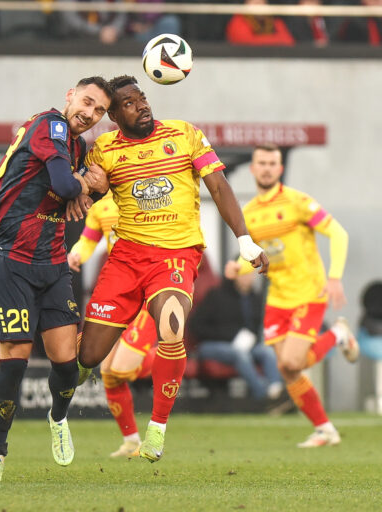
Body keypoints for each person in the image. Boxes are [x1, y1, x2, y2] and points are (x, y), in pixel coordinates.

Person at [74, 75, 269, 463]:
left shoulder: (184, 134)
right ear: (113, 115)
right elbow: (87, 202)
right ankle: (64, 407)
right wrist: (83, 187)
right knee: (91, 359)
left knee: (172, 326)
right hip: (127, 259)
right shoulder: (103, 150)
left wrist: (245, 239)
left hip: (176, 256)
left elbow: (218, 185)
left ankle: (156, 429)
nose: (142, 105)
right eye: (129, 103)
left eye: (142, 98)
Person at [0, 76, 112, 482]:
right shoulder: (50, 126)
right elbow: (65, 184)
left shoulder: (79, 145)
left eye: (99, 110)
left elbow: (75, 193)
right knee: (14, 363)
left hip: (51, 262)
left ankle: (58, 417)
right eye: (86, 102)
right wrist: (85, 185)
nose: (89, 114)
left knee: (67, 364)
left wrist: (90, 193)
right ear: (70, 96)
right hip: (11, 258)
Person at [226, 143, 359, 447]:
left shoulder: (298, 202)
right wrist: (237, 268)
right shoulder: (249, 213)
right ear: (253, 168)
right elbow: (254, 258)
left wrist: (335, 277)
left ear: (280, 168)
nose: (267, 168)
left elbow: (338, 233)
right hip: (277, 300)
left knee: (293, 361)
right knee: (288, 369)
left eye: (273, 163)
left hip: (308, 293)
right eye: (262, 162)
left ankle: (338, 333)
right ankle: (325, 429)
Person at [67, 190, 158, 458]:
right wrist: (75, 255)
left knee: (119, 369)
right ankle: (131, 442)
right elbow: (87, 241)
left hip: (149, 291)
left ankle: (172, 359)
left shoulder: (142, 192)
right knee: (109, 374)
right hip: (122, 293)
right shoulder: (99, 208)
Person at [188, 264, 283, 401]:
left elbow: (257, 329)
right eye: (243, 274)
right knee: (239, 354)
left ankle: (276, 391)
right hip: (210, 345)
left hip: (245, 346)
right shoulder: (216, 295)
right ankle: (263, 396)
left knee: (267, 352)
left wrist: (250, 339)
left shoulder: (255, 299)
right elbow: (195, 326)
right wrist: (230, 336)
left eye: (250, 274)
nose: (246, 278)